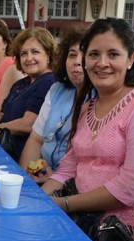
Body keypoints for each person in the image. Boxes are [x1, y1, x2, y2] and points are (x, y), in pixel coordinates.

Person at [40, 18, 134, 241]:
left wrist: (66, 203)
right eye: (94, 54)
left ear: (131, 58)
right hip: (83, 220)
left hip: (122, 234)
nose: (102, 63)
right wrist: (39, 200)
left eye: (113, 54)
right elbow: (67, 168)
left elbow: (132, 188)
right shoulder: (88, 106)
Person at [19, 26, 85, 183]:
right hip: (42, 176)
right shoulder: (57, 89)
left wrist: (54, 180)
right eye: (72, 55)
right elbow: (35, 139)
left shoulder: (102, 98)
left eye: (85, 55)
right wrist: (25, 179)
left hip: (71, 187)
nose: (77, 62)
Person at [0, 27, 57, 160]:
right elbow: (2, 115)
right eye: (23, 54)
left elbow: (28, 124)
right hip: (1, 148)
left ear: (48, 55)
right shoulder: (22, 83)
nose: (29, 58)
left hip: (19, 158)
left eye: (35, 52)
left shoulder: (48, 82)